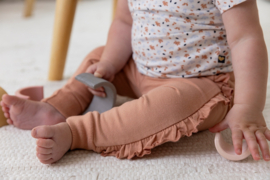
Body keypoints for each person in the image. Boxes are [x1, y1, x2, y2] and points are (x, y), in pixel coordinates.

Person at [1, 0, 269, 164]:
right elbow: (123, 22)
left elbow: (245, 38)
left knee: (170, 109)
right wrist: (108, 64)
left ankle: (78, 133)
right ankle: (57, 107)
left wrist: (248, 106)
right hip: (137, 69)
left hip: (202, 83)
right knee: (97, 56)